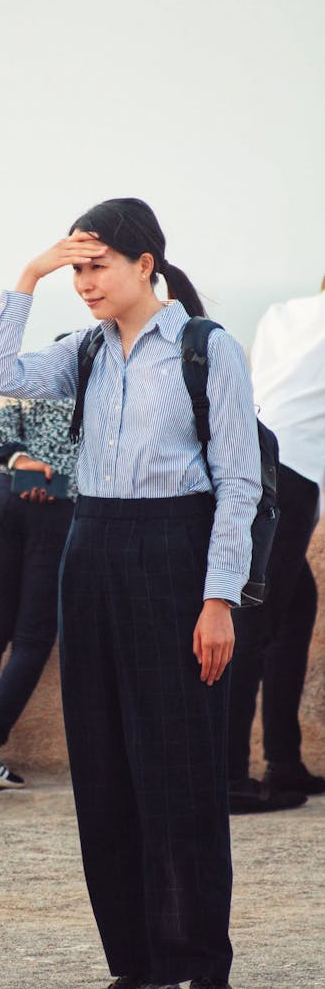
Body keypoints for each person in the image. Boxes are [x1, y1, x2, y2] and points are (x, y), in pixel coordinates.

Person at [0, 197, 262, 989]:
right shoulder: (83, 352)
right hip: (89, 550)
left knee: (180, 772)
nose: (84, 282)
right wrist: (30, 274)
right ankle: (133, 967)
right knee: (102, 773)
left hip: (176, 555)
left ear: (147, 264)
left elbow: (240, 483)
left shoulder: (208, 350)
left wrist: (218, 599)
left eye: (96, 265)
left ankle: (195, 967)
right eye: (76, 268)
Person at [227, 281, 325, 814]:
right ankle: (230, 776)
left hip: (258, 458)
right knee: (254, 623)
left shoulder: (284, 314)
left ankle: (284, 761)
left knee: (292, 611)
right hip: (293, 476)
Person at [0, 387, 79, 789]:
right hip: (57, 504)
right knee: (33, 638)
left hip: (3, 496)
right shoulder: (101, 394)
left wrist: (23, 462)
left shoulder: (34, 386)